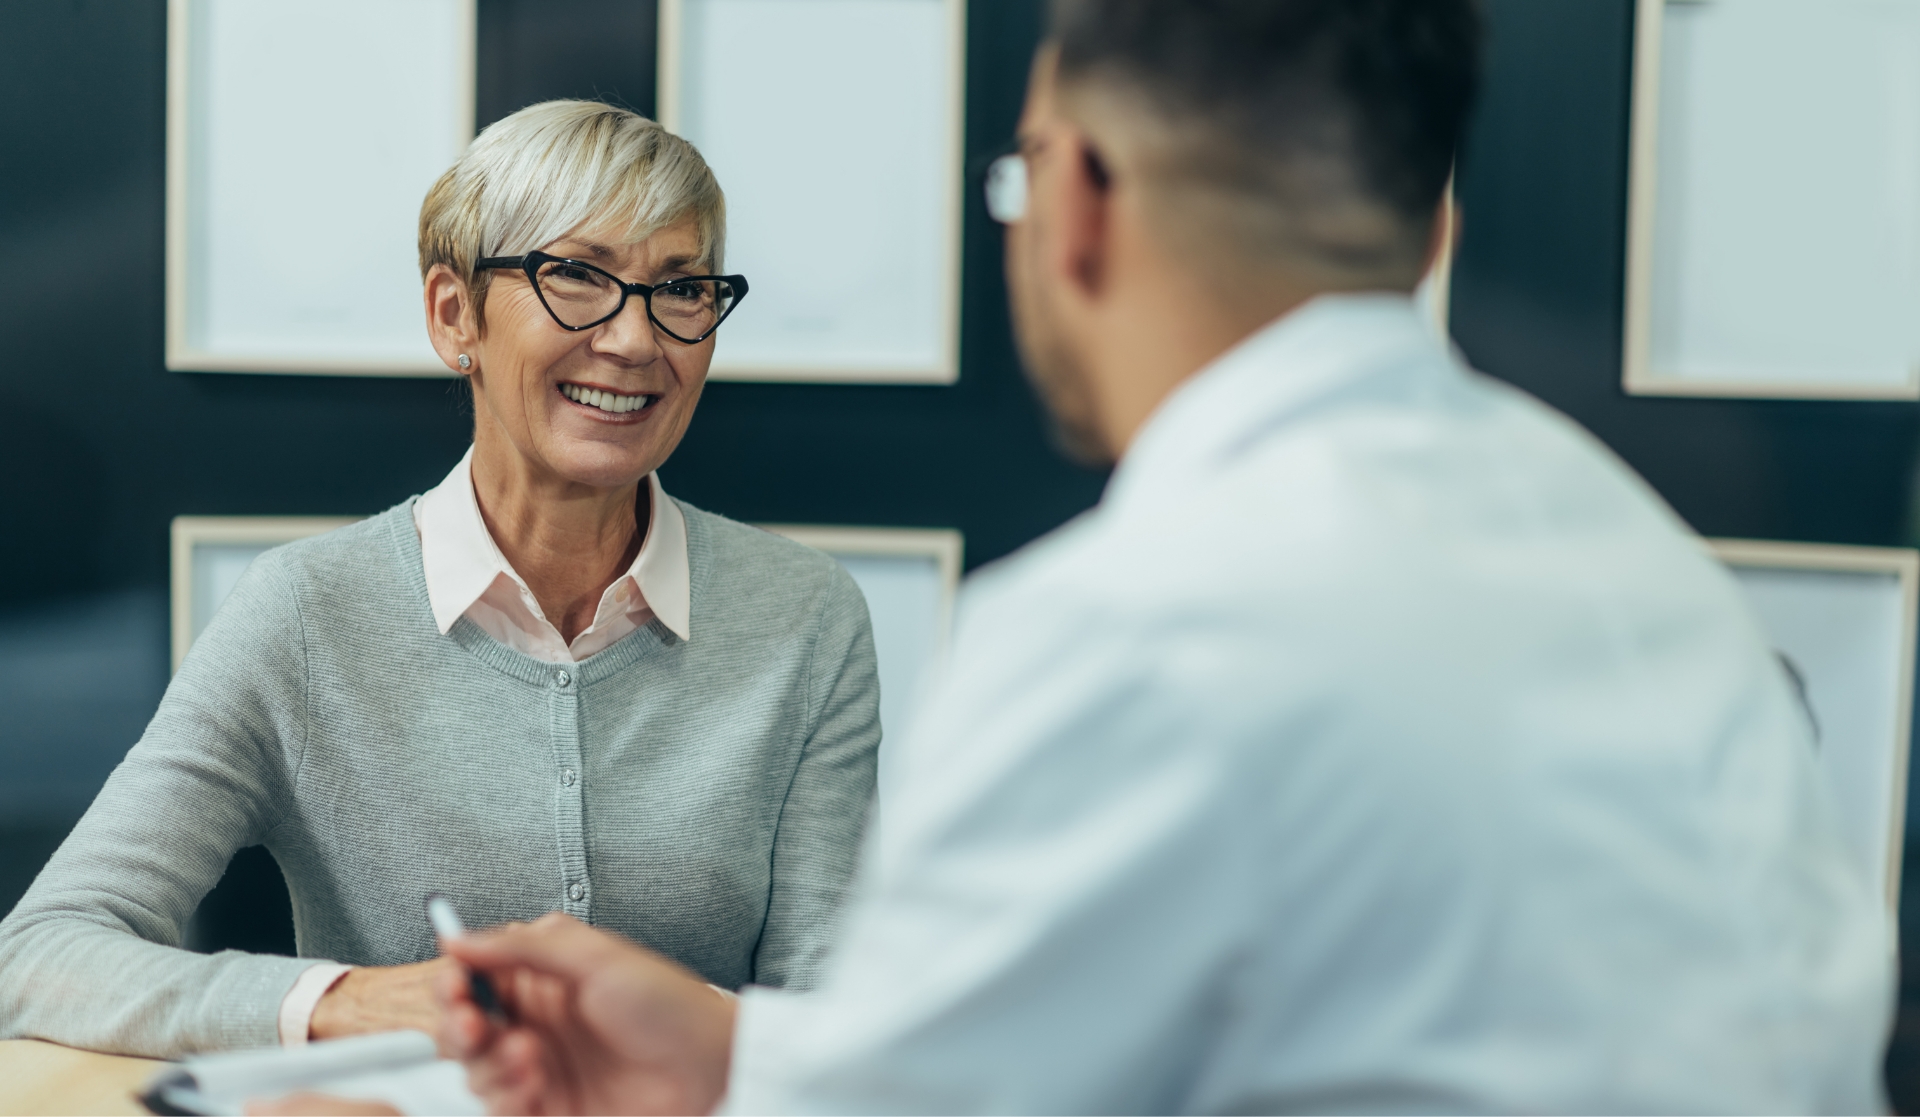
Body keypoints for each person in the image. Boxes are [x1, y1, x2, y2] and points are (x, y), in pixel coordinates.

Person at [425, 1, 1895, 1113]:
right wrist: (741, 1054)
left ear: (1079, 201)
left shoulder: (1137, 627)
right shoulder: (1650, 573)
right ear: (1428, 225)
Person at [0, 100, 880, 1058]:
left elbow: (843, 1022)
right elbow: (38, 954)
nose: (636, 341)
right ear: (453, 314)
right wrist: (355, 1001)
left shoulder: (807, 616)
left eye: (681, 289)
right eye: (577, 277)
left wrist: (676, 1023)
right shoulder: (304, 612)